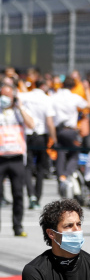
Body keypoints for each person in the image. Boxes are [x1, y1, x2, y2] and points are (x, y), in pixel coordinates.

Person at [0, 84, 34, 236]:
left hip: (16, 158)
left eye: (8, 96)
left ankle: (18, 226)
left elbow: (31, 124)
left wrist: (19, 107)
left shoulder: (19, 112)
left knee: (18, 194)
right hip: (1, 158)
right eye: (2, 95)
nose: (4, 98)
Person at [20, 75, 56, 210]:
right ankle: (37, 196)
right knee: (41, 168)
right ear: (44, 86)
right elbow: (50, 122)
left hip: (28, 134)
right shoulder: (47, 99)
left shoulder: (25, 96)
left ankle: (31, 195)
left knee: (28, 167)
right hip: (41, 135)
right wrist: (54, 139)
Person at [51, 81, 90, 199]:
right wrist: (87, 90)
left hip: (58, 130)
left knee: (61, 153)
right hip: (70, 130)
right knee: (75, 154)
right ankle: (66, 174)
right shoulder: (74, 97)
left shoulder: (54, 96)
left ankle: (61, 177)